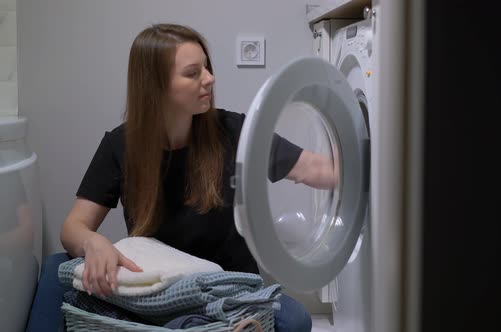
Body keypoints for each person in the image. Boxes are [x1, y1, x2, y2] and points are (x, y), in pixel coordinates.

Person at [27, 23, 337, 332]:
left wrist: (374, 161)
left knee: (294, 320)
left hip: (226, 289)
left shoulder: (236, 131)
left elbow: (317, 169)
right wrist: (94, 243)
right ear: (155, 86)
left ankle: (190, 325)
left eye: (207, 67)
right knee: (57, 266)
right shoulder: (120, 145)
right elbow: (73, 227)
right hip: (157, 290)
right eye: (193, 72)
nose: (210, 78)